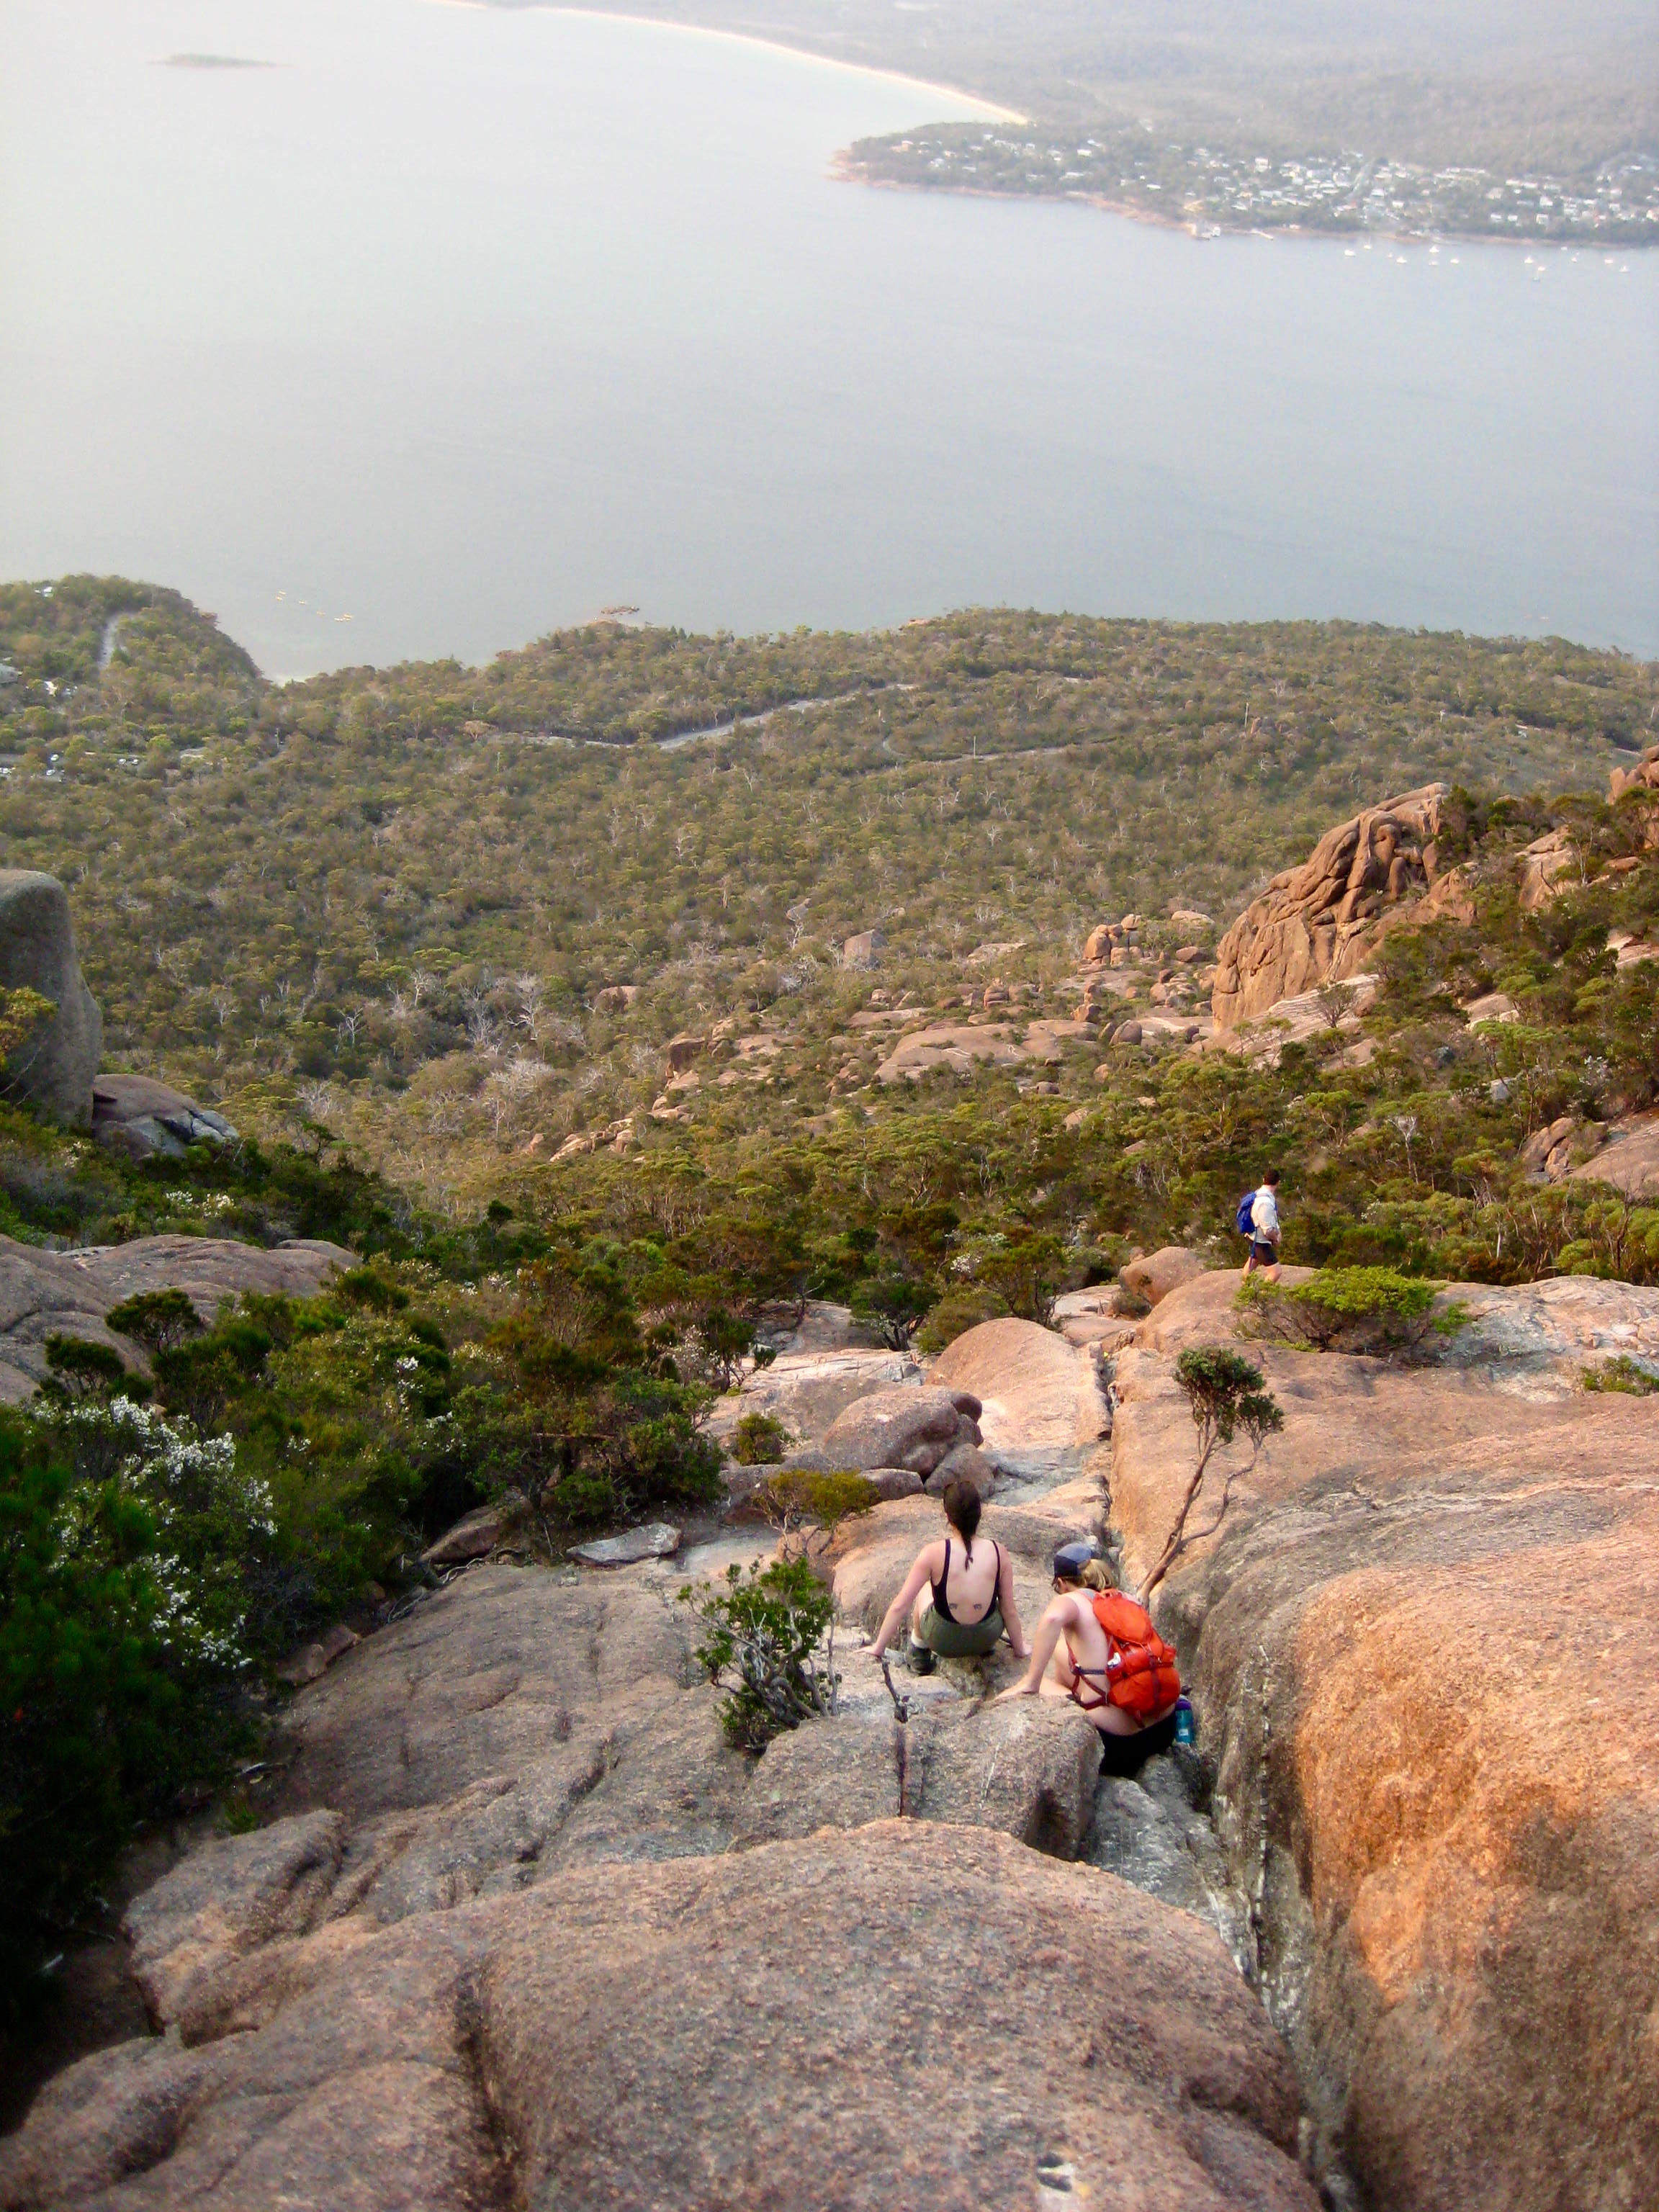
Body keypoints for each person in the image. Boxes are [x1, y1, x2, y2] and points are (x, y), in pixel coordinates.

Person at [997, 1542, 1180, 1776]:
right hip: (1164, 1730)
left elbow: (1052, 1619)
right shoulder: (1128, 1599)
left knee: (1049, 1673)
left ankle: (1066, 1693)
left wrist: (1031, 1682)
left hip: (1117, 1746)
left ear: (1062, 1583)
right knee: (1069, 1652)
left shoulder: (1072, 1600)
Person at [867, 1477, 1028, 1673]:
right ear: (980, 1513)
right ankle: (984, 1650)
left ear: (948, 1516)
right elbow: (1009, 1609)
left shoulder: (933, 1553)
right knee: (994, 1597)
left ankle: (920, 1656)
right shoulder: (998, 1552)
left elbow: (901, 1604)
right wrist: (1020, 1650)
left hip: (943, 1640)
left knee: (925, 1590)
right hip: (987, 1637)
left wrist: (878, 1648)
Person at [1241, 1166, 1283, 1283]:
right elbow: (1268, 1230)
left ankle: (1246, 1290)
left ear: (1264, 1179)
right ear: (1278, 1183)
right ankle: (1262, 1296)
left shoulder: (1257, 1194)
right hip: (1260, 1241)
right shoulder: (1265, 1202)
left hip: (1252, 1236)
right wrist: (1276, 1238)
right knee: (1275, 1272)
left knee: (1253, 1262)